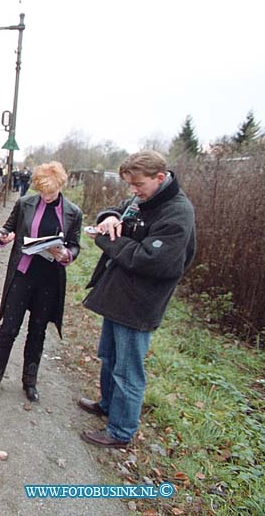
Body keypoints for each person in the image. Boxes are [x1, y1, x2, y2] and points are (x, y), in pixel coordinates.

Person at [78, 150, 195, 448]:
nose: (133, 191)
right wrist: (108, 218)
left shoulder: (177, 213)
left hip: (139, 304)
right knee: (109, 356)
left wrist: (106, 240)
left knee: (128, 371)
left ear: (160, 177)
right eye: (130, 185)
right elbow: (119, 209)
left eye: (138, 185)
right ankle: (107, 405)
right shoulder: (144, 199)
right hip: (118, 296)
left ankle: (121, 431)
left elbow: (150, 260)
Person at [0, 161, 82, 402]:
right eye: (42, 191)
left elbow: (74, 244)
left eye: (50, 192)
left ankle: (30, 381)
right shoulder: (25, 203)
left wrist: (66, 254)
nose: (46, 196)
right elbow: (6, 229)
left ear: (60, 186)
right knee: (9, 328)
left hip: (49, 279)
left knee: (38, 332)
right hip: (23, 274)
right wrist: (4, 237)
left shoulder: (73, 212)